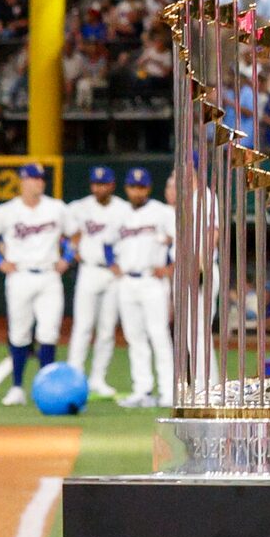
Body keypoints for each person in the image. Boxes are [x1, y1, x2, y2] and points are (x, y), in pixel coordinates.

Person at [0, 163, 68, 404]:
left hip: (49, 275)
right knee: (19, 333)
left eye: (40, 178)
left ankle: (44, 388)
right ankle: (17, 387)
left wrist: (67, 259)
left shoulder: (57, 208)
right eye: (33, 178)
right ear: (22, 182)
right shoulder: (7, 211)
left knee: (49, 332)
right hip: (19, 276)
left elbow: (76, 234)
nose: (38, 182)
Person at [107, 167, 176, 409]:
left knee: (159, 335)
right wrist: (111, 264)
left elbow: (180, 240)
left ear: (148, 188)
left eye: (141, 187)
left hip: (152, 281)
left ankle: (168, 391)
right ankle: (142, 389)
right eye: (133, 187)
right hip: (127, 281)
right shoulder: (118, 214)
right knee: (134, 337)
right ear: (126, 188)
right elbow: (107, 242)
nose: (137, 191)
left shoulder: (162, 213)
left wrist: (170, 268)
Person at [61, 165, 127, 399]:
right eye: (95, 183)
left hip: (113, 274)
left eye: (103, 183)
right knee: (83, 327)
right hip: (89, 269)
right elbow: (61, 231)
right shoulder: (79, 208)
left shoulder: (123, 209)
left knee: (107, 330)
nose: (99, 187)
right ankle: (74, 376)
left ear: (112, 185)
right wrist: (70, 253)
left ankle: (98, 379)